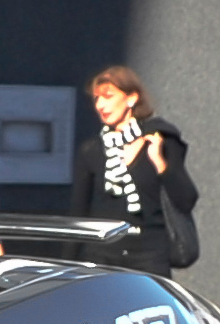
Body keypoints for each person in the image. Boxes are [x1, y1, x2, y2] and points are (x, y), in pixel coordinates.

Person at [86, 63, 200, 271]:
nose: (100, 105)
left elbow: (186, 199)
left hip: (149, 257)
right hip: (103, 258)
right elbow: (80, 210)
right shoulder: (92, 150)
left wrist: (160, 163)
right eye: (96, 99)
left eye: (108, 97)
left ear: (131, 98)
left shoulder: (160, 138)